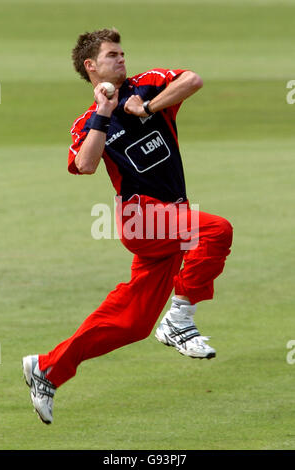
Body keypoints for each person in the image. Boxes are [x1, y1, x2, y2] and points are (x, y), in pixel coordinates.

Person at [22, 28, 233, 424]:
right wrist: (105, 112)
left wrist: (147, 109)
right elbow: (84, 164)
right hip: (141, 220)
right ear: (91, 66)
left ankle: (47, 369)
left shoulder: (148, 87)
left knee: (132, 322)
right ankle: (180, 318)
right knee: (216, 230)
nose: (122, 59)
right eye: (112, 55)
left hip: (172, 219)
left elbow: (193, 80)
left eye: (122, 53)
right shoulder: (88, 121)